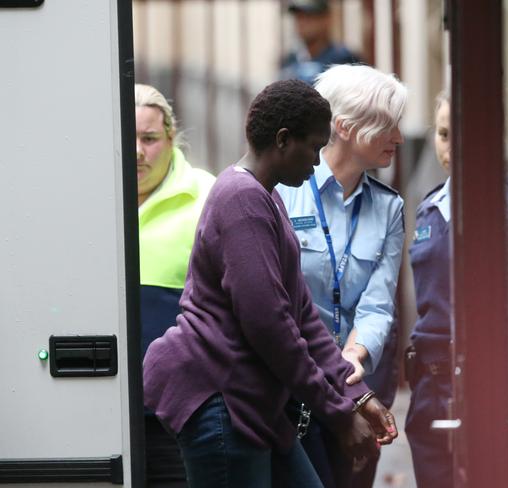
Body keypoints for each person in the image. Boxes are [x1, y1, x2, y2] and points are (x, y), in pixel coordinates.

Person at [143, 79, 398, 488]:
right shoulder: (242, 201)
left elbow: (302, 318)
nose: (316, 163)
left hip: (252, 401)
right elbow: (271, 327)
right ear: (282, 140)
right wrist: (337, 413)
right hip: (219, 398)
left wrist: (356, 396)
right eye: (313, 147)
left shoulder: (267, 197)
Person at [404, 91, 508, 487]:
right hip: (431, 385)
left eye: (461, 133)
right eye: (442, 134)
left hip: (494, 382)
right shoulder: (429, 208)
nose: (451, 147)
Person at [276, 64, 407, 488]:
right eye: (387, 125)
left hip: (356, 384)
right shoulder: (282, 192)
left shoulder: (389, 208)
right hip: (292, 386)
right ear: (347, 128)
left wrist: (355, 357)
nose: (400, 138)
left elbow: (379, 301)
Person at [135, 83, 216, 487]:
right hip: (104, 406)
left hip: (180, 412)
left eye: (148, 139)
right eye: (126, 138)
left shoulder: (206, 195)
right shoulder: (87, 197)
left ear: (171, 137)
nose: (137, 151)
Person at [280, 0, 360, 86]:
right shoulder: (290, 60)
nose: (302, 23)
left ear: (326, 19)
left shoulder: (344, 59)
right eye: (299, 17)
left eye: (308, 16)